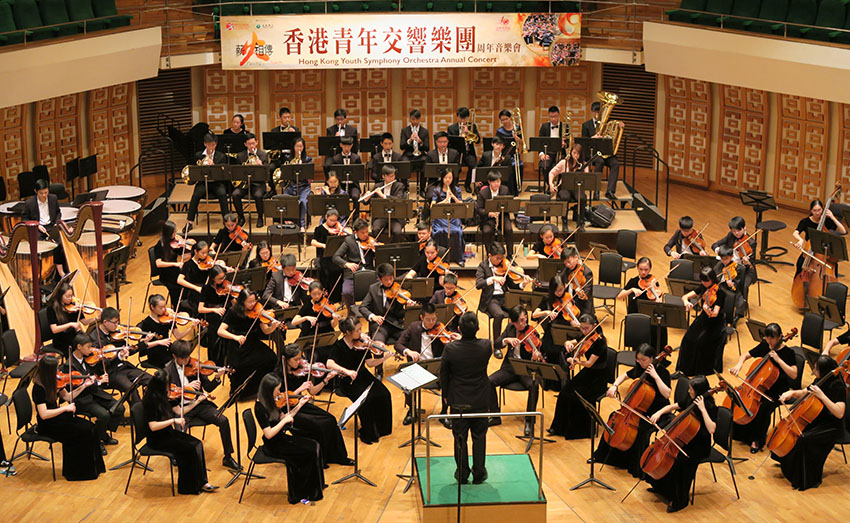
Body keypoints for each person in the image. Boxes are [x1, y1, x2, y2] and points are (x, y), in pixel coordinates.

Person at [594, 343, 672, 477]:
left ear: (652, 358)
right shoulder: (640, 368)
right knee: (613, 417)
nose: (640, 362)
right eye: (638, 359)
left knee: (641, 432)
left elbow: (667, 394)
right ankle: (603, 456)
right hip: (638, 409)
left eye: (643, 360)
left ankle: (635, 466)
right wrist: (614, 386)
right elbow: (624, 375)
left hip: (657, 411)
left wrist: (655, 376)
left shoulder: (662, 372)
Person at [774, 355, 846, 491]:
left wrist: (822, 396)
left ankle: (806, 479)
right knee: (796, 432)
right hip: (817, 419)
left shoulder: (837, 386)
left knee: (804, 439)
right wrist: (791, 393)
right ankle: (790, 467)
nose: (813, 370)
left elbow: (839, 413)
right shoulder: (820, 380)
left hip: (831, 426)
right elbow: (805, 392)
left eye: (816, 368)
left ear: (823, 370)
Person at [165, 340, 239, 471]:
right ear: (174, 356)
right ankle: (178, 456)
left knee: (223, 420)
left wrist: (217, 377)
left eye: (188, 357)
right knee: (179, 432)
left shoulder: (195, 365)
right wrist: (186, 388)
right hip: (181, 409)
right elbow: (168, 394)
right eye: (183, 358)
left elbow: (208, 387)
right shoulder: (168, 372)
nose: (186, 360)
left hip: (199, 405)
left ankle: (228, 457)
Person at [646, 375, 716, 513]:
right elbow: (674, 405)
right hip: (684, 440)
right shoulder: (691, 399)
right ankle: (661, 488)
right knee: (668, 459)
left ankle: (680, 500)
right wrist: (659, 412)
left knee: (680, 463)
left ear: (699, 392)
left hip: (699, 446)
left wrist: (702, 409)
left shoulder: (710, 406)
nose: (689, 391)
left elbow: (711, 429)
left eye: (691, 389)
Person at [143, 369, 218, 494]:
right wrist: (173, 420)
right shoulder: (150, 401)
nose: (170, 388)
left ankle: (203, 482)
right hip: (157, 439)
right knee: (189, 449)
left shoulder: (166, 396)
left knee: (198, 444)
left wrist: (197, 401)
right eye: (167, 385)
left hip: (168, 433)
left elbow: (179, 411)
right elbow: (153, 426)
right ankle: (188, 487)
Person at [255, 373, 326, 503]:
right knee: (307, 451)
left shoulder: (272, 401)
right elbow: (268, 434)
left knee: (314, 444)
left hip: (281, 438)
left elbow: (286, 416)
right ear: (269, 390)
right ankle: (303, 492)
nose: (279, 393)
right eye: (277, 390)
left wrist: (300, 405)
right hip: (274, 445)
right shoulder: (259, 408)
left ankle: (315, 486)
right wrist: (284, 421)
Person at [31, 355, 105, 481]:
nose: (59, 370)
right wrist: (65, 409)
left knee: (90, 427)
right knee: (81, 432)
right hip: (48, 424)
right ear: (49, 371)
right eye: (56, 368)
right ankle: (77, 473)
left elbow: (68, 397)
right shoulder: (39, 388)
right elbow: (44, 414)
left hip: (58, 417)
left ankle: (95, 468)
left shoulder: (55, 381)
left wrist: (84, 386)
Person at [278, 344, 353, 466]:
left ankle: (339, 457)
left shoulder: (301, 371)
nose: (299, 362)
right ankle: (321, 459)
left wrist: (326, 380)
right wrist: (299, 390)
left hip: (302, 404)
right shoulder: (278, 376)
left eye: (300, 358)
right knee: (319, 425)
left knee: (330, 419)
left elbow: (313, 391)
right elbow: (280, 401)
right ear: (286, 359)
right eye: (296, 359)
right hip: (289, 411)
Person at [441, 312, 494, 484]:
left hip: (458, 400)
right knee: (479, 436)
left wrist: (445, 396)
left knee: (459, 437)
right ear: (478, 328)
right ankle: (479, 473)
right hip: (480, 399)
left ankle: (462, 473)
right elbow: (481, 345)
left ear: (458, 329)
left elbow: (444, 375)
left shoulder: (450, 349)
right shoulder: (486, 346)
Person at [729, 322, 798, 453]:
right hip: (759, 385)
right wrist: (739, 365)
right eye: (767, 337)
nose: (769, 341)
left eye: (772, 338)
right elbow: (745, 355)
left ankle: (756, 440)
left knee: (763, 408)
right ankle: (739, 432)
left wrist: (778, 360)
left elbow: (794, 374)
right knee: (740, 399)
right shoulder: (765, 345)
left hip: (778, 389)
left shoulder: (789, 353)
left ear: (780, 337)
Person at [327, 317, 394, 444]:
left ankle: (382, 429)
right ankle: (368, 432)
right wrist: (347, 371)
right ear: (348, 332)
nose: (361, 333)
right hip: (347, 381)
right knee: (366, 401)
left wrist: (383, 359)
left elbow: (370, 363)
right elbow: (329, 363)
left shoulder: (362, 343)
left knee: (384, 393)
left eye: (360, 329)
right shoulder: (339, 346)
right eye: (357, 330)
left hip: (363, 375)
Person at [395, 303, 458, 426]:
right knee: (406, 379)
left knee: (450, 377)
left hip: (436, 366)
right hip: (418, 366)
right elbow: (398, 344)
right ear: (421, 317)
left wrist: (451, 342)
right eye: (428, 319)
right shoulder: (413, 327)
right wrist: (408, 351)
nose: (431, 322)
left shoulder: (440, 328)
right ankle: (412, 410)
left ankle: (444, 413)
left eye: (434, 319)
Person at [548, 313, 608, 439]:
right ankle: (558, 427)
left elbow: (589, 363)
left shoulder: (600, 342)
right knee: (564, 391)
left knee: (576, 397)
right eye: (582, 328)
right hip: (588, 373)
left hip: (598, 377)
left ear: (594, 326)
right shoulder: (586, 336)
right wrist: (567, 343)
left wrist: (576, 362)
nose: (584, 331)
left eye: (587, 328)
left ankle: (578, 431)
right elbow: (573, 341)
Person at [488, 306, 542, 436]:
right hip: (510, 368)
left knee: (534, 386)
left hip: (526, 369)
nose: (523, 324)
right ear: (512, 322)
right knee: (489, 381)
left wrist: (535, 357)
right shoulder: (510, 328)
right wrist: (506, 340)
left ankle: (529, 421)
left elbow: (540, 354)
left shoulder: (533, 332)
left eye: (524, 320)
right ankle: (495, 416)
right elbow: (497, 343)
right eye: (519, 322)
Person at [218, 288, 281, 398]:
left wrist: (273, 327)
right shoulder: (233, 311)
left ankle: (259, 387)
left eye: (254, 301)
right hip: (238, 345)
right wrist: (235, 337)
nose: (253, 304)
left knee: (271, 358)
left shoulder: (258, 311)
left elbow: (265, 331)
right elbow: (220, 331)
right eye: (249, 302)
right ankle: (240, 391)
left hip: (253, 342)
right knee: (240, 366)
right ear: (242, 301)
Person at [67, 333, 124, 454]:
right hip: (82, 398)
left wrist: (118, 357)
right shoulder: (69, 366)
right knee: (104, 415)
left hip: (95, 393)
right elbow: (78, 386)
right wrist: (98, 382)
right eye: (88, 347)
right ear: (79, 347)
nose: (91, 349)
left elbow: (102, 367)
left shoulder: (89, 358)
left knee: (119, 408)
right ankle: (96, 441)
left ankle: (101, 434)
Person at [88, 306, 153, 405]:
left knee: (151, 380)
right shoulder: (94, 339)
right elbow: (99, 363)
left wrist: (143, 343)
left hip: (124, 367)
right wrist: (119, 356)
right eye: (114, 323)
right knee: (132, 390)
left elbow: (128, 350)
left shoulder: (116, 333)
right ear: (105, 322)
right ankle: (138, 412)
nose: (117, 325)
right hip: (110, 373)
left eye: (118, 322)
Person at [356, 263, 418, 351]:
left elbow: (401, 314)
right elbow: (362, 307)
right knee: (377, 347)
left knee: (412, 341)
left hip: (396, 325)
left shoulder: (399, 289)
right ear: (380, 279)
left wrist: (408, 308)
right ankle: (379, 360)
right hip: (380, 326)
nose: (389, 282)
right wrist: (373, 316)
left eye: (391, 279)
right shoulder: (373, 289)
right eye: (386, 279)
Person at [677, 267, 726, 376]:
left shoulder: (720, 293)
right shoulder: (703, 287)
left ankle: (696, 371)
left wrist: (706, 309)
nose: (704, 283)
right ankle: (682, 370)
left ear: (712, 279)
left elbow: (715, 313)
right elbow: (685, 296)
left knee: (699, 342)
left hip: (715, 323)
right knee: (687, 339)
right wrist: (686, 302)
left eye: (706, 281)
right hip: (704, 318)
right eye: (702, 281)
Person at [475, 243, 521, 355]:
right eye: (498, 258)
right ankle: (497, 345)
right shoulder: (483, 266)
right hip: (491, 299)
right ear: (490, 255)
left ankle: (516, 341)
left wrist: (522, 284)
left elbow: (513, 286)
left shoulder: (504, 266)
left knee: (519, 311)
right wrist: (493, 279)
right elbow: (478, 284)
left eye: (502, 258)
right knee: (499, 314)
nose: (500, 261)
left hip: (504, 297)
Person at [616, 256, 668, 349]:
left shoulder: (653, 280)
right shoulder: (633, 282)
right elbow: (619, 296)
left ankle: (657, 353)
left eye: (646, 270)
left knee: (661, 326)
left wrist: (657, 299)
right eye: (641, 269)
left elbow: (656, 292)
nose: (643, 272)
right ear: (637, 268)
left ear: (650, 269)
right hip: (636, 314)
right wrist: (631, 290)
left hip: (649, 313)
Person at [712, 216, 757, 318]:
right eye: (734, 231)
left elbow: (753, 261)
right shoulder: (730, 236)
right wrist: (718, 250)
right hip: (730, 267)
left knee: (743, 285)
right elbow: (715, 244)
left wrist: (746, 262)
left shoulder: (751, 242)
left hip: (746, 270)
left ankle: (740, 311)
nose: (736, 233)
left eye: (739, 230)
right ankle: (721, 305)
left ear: (744, 228)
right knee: (718, 279)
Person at [136, 293, 195, 369]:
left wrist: (191, 328)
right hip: (156, 354)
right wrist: (159, 342)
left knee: (184, 357)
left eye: (165, 306)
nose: (164, 309)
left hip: (168, 349)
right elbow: (143, 345)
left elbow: (178, 336)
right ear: (152, 307)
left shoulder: (168, 319)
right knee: (175, 366)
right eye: (161, 308)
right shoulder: (146, 323)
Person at [21, 178, 66, 277]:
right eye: (41, 193)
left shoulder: (53, 198)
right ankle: (42, 272)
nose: (44, 195)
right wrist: (37, 225)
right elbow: (24, 218)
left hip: (51, 225)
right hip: (38, 228)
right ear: (36, 191)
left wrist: (56, 223)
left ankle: (60, 271)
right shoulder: (29, 203)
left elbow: (58, 212)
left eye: (46, 192)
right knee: (37, 246)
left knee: (60, 243)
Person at [792, 198, 846, 277]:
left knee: (833, 265)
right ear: (811, 211)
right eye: (814, 210)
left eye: (819, 210)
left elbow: (843, 231)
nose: (817, 213)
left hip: (823, 250)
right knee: (800, 264)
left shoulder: (827, 221)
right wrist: (800, 240)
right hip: (810, 250)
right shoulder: (805, 221)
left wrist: (832, 217)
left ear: (823, 209)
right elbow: (795, 233)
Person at [185, 133, 229, 232]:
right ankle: (189, 222)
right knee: (196, 195)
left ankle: (227, 221)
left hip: (217, 183)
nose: (211, 147)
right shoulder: (199, 155)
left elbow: (223, 174)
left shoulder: (221, 156)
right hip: (202, 182)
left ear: (216, 144)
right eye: (209, 145)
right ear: (205, 144)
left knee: (222, 194)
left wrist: (214, 166)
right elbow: (194, 171)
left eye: (213, 145)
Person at [582, 100, 624, 201]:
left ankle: (610, 191)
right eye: (595, 112)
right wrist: (593, 138)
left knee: (615, 163)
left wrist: (619, 126)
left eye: (599, 112)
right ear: (592, 111)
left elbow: (613, 138)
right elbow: (584, 142)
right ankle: (596, 190)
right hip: (593, 154)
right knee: (599, 161)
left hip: (607, 153)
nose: (597, 114)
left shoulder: (609, 123)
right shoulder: (586, 125)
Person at [333, 218, 376, 308]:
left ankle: (372, 310)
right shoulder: (348, 241)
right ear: (356, 232)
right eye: (362, 233)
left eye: (367, 232)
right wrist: (347, 264)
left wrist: (376, 250)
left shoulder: (371, 240)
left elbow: (380, 257)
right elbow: (336, 257)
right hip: (353, 273)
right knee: (346, 292)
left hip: (369, 271)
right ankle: (351, 310)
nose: (366, 235)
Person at [47, 282, 96, 355]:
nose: (70, 298)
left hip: (74, 336)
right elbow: (54, 329)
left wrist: (96, 319)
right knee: (82, 347)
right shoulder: (52, 308)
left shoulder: (74, 305)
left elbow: (84, 322)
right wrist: (70, 324)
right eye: (67, 296)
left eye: (71, 295)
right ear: (60, 296)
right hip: (61, 339)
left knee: (87, 344)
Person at [232, 132, 269, 228]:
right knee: (235, 194)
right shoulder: (240, 156)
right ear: (245, 144)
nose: (251, 146)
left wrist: (261, 166)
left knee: (258, 195)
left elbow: (266, 174)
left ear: (257, 142)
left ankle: (260, 217)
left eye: (253, 143)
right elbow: (237, 172)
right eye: (249, 144)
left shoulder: (263, 155)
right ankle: (241, 217)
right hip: (244, 184)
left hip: (258, 184)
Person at [429, 168, 466, 265]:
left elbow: (462, 205)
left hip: (453, 218)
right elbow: (432, 206)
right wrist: (444, 201)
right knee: (439, 232)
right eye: (446, 178)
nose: (448, 180)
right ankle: (440, 258)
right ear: (442, 178)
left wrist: (453, 197)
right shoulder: (437, 190)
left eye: (450, 178)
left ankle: (458, 258)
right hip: (440, 218)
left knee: (457, 232)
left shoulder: (456, 189)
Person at [292, 281, 341, 349]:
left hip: (326, 333)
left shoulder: (328, 302)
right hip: (311, 334)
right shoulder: (307, 305)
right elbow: (293, 322)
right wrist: (306, 317)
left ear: (323, 291)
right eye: (314, 294)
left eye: (319, 293)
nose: (317, 296)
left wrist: (335, 319)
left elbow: (333, 325)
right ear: (310, 293)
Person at [311, 208, 346, 302]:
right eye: (331, 220)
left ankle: (337, 298)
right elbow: (313, 242)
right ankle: (327, 297)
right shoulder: (319, 229)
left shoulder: (337, 229)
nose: (333, 223)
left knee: (340, 269)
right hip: (324, 257)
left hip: (336, 257)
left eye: (335, 221)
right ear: (326, 217)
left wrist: (341, 228)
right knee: (329, 271)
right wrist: (324, 245)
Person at [475, 171, 514, 256]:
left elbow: (509, 205)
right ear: (489, 182)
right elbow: (479, 209)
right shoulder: (483, 193)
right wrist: (489, 213)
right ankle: (490, 254)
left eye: (498, 181)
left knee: (509, 229)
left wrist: (502, 210)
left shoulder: (505, 190)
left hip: (503, 216)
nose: (497, 184)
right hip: (488, 218)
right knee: (487, 231)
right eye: (494, 182)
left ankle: (510, 255)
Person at [198, 264, 230, 366]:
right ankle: (216, 363)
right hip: (213, 317)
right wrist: (214, 310)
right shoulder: (206, 289)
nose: (223, 280)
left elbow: (233, 302)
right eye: (220, 279)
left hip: (225, 314)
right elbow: (200, 309)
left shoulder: (226, 287)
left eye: (223, 277)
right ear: (212, 279)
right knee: (215, 340)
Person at [154, 220, 190, 307]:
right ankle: (177, 305)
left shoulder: (175, 242)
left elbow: (184, 256)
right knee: (179, 284)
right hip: (166, 274)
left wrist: (187, 248)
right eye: (174, 232)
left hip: (175, 271)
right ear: (168, 233)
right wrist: (175, 264)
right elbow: (158, 263)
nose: (176, 234)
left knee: (187, 279)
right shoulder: (160, 245)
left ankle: (185, 304)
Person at [364, 164, 406, 238]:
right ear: (383, 176)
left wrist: (383, 196)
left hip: (395, 217)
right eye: (390, 176)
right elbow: (366, 203)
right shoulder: (377, 186)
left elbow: (399, 199)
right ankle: (377, 245)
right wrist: (367, 197)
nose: (392, 178)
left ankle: (394, 245)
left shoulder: (399, 186)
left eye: (393, 176)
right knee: (375, 229)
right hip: (380, 216)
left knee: (397, 232)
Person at [279, 137, 313, 231]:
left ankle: (302, 225)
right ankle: (288, 222)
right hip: (291, 185)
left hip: (304, 186)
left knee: (303, 201)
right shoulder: (288, 159)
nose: (299, 148)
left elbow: (309, 175)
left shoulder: (308, 159)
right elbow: (284, 174)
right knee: (285, 199)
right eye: (297, 146)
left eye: (301, 146)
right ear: (293, 147)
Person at [324, 136, 362, 213]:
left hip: (353, 185)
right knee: (341, 197)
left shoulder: (356, 158)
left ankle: (355, 217)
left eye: (348, 146)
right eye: (344, 146)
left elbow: (359, 174)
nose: (346, 148)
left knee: (355, 197)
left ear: (352, 145)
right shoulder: (336, 158)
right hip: (340, 185)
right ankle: (342, 215)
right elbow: (334, 174)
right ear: (341, 145)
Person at [176, 241, 216, 315]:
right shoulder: (188, 264)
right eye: (203, 253)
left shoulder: (208, 261)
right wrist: (195, 287)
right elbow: (179, 280)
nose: (205, 255)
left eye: (206, 252)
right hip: (195, 292)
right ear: (195, 251)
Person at [447, 107, 479, 192]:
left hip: (468, 152)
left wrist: (468, 132)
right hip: (456, 153)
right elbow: (449, 142)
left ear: (467, 117)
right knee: (456, 167)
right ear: (457, 117)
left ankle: (467, 184)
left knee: (473, 165)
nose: (462, 120)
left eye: (464, 118)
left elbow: (478, 140)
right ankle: (455, 184)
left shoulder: (472, 126)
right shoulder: (451, 128)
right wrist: (459, 138)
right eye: (461, 118)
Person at [560, 245, 594, 316]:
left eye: (569, 262)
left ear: (576, 257)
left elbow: (586, 294)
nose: (568, 265)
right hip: (569, 304)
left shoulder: (587, 273)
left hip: (583, 307)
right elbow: (560, 279)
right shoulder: (567, 269)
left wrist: (581, 295)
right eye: (565, 263)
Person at [495, 109, 522, 195]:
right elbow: (497, 143)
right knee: (508, 167)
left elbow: (522, 142)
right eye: (502, 120)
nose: (504, 121)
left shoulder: (517, 128)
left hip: (515, 154)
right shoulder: (499, 131)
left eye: (506, 119)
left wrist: (518, 139)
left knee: (518, 165)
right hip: (504, 155)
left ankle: (516, 189)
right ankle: (507, 190)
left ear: (510, 118)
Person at [538, 105, 567, 175]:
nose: (553, 119)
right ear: (548, 115)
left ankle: (560, 182)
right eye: (551, 117)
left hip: (561, 153)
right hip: (548, 153)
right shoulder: (544, 127)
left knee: (564, 165)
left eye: (555, 116)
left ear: (559, 115)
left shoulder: (565, 126)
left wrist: (565, 144)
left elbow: (569, 142)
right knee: (545, 165)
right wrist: (542, 154)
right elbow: (540, 142)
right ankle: (548, 181)